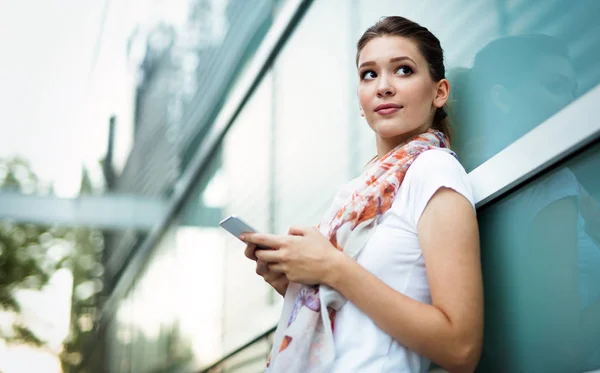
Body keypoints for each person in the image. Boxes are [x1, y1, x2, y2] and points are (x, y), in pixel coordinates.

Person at [242, 16, 483, 373]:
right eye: (369, 74)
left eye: (403, 70)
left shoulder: (434, 171)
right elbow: (360, 326)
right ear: (360, 99)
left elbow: (461, 347)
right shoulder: (359, 195)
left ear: (439, 92)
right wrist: (295, 285)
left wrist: (333, 268)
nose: (383, 87)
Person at [449, 34, 600, 372]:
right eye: (555, 86)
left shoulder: (470, 187)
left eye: (574, 91)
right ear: (502, 99)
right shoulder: (548, 185)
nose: (571, 103)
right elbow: (563, 347)